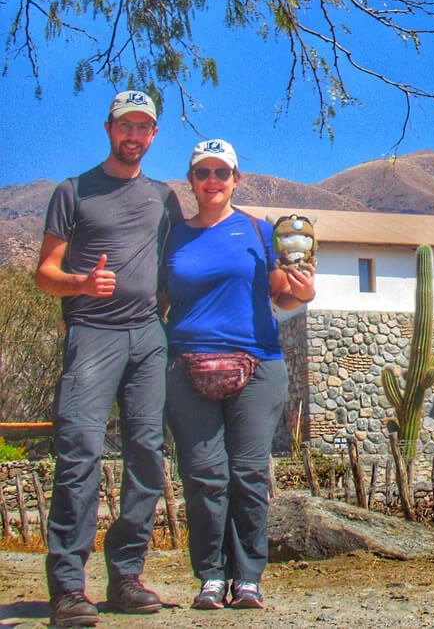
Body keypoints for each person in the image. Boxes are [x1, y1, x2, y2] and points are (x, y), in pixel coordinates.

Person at [36, 90, 184, 627]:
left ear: (153, 136)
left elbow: (171, 271)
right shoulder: (73, 191)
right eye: (126, 126)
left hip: (147, 336)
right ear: (108, 129)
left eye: (144, 127)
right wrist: (82, 283)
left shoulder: (163, 198)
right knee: (79, 452)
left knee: (147, 454)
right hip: (91, 334)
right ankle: (68, 590)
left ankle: (125, 577)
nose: (134, 135)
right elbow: (44, 273)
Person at [162, 139, 315, 611]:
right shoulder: (171, 235)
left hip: (257, 363)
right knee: (204, 474)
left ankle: (248, 577)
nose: (212, 182)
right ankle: (210, 575)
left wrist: (302, 293)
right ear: (191, 181)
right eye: (202, 173)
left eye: (221, 173)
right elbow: (158, 303)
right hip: (186, 364)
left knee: (248, 474)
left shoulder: (258, 230)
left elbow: (280, 297)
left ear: (235, 180)